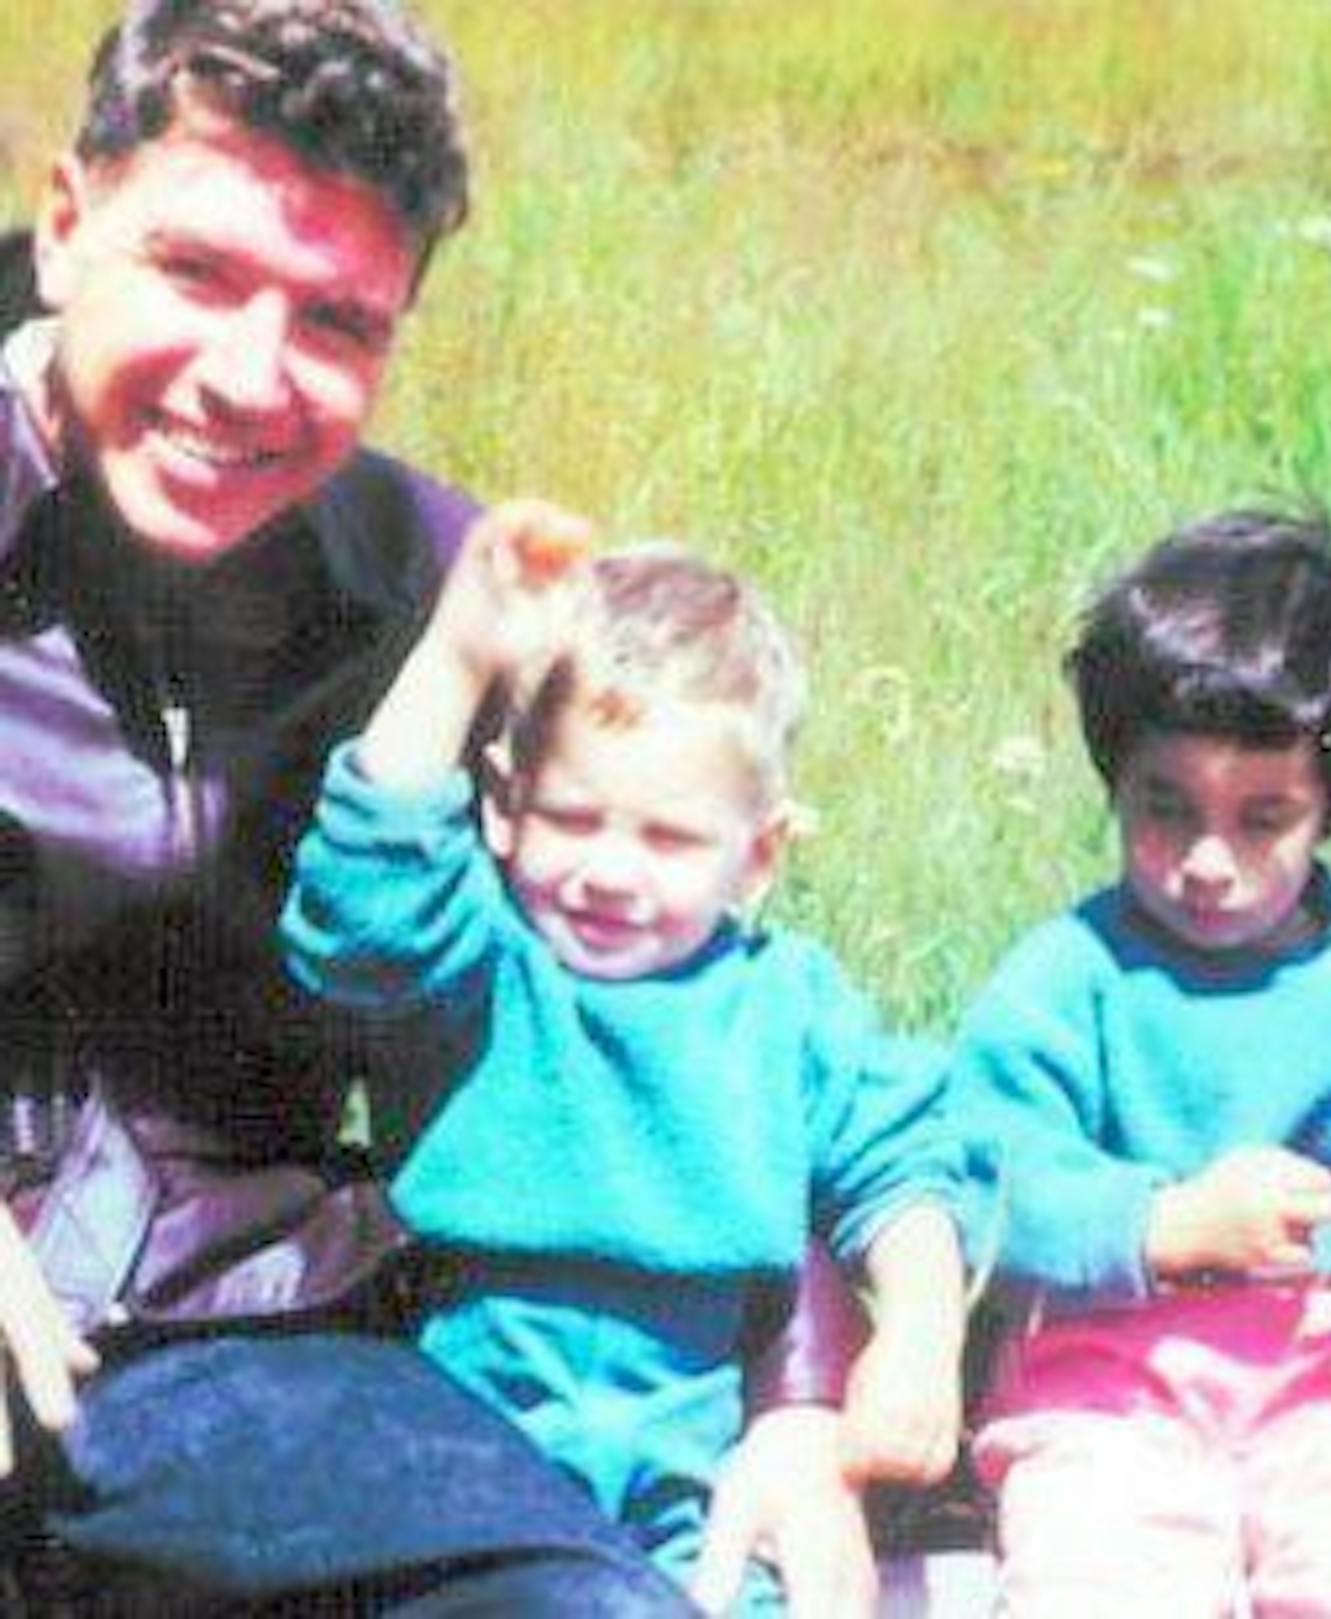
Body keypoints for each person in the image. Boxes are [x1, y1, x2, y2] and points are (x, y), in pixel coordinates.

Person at [0, 4, 850, 1611]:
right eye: (196, 271)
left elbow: (692, 1004)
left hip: (241, 1339)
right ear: (64, 225)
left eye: (336, 319)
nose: (249, 378)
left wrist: (799, 1397)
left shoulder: (437, 596)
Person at [280, 502, 972, 1611]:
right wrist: (457, 659)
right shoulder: (476, 959)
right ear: (503, 805)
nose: (609, 870)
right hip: (460, 1434)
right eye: (573, 817)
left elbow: (901, 1167)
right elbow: (362, 904)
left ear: (758, 856)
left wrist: (922, 1335)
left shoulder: (783, 1004)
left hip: (689, 1466)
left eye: (668, 837)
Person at [952, 510, 1331, 1616]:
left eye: (1263, 818)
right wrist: (1162, 1226)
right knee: (1099, 1583)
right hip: (1112, 1407)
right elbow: (981, 1186)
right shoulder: (1069, 978)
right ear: (1115, 778)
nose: (1207, 861)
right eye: (1164, 807)